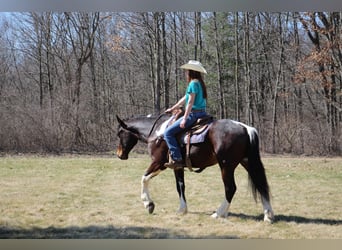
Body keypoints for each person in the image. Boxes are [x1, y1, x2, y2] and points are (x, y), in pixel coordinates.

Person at [164, 60, 208, 169]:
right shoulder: (199, 83)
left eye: (187, 70)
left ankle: (177, 159)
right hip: (202, 113)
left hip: (193, 114)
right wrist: (173, 108)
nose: (186, 72)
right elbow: (185, 98)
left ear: (191, 72)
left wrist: (184, 118)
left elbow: (190, 102)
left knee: (168, 133)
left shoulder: (193, 83)